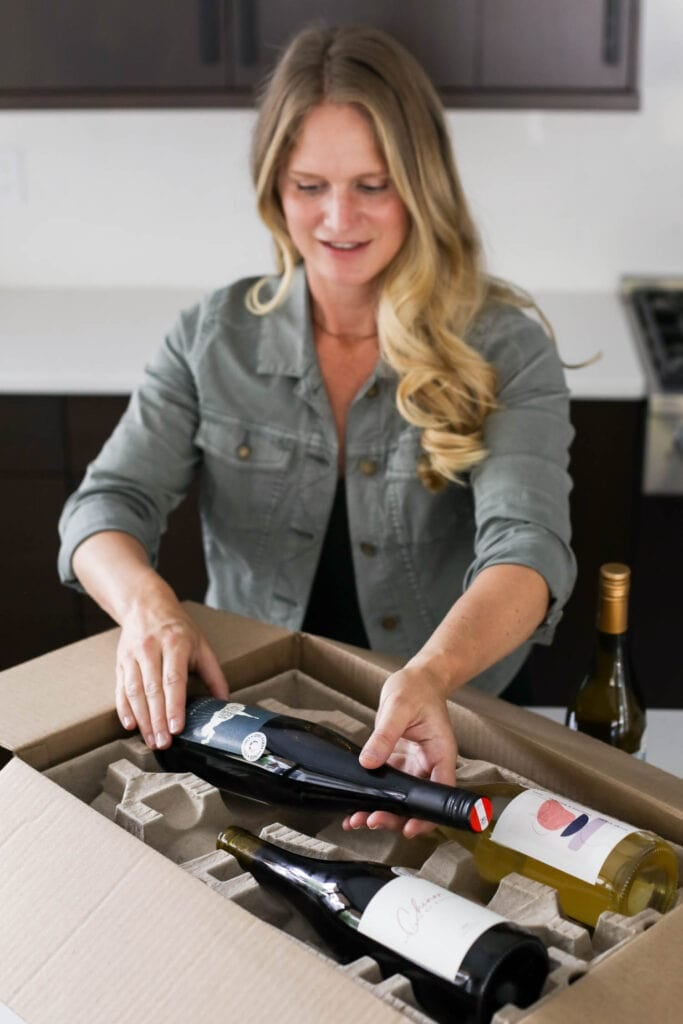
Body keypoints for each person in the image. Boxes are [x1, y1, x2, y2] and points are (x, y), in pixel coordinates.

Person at [58, 24, 576, 838]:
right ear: (274, 191)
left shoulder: (504, 346)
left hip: (451, 721)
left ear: (421, 184)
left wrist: (432, 675)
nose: (339, 219)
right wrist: (152, 611)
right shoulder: (211, 336)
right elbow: (104, 507)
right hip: (257, 722)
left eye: (372, 184)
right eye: (309, 185)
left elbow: (528, 549)